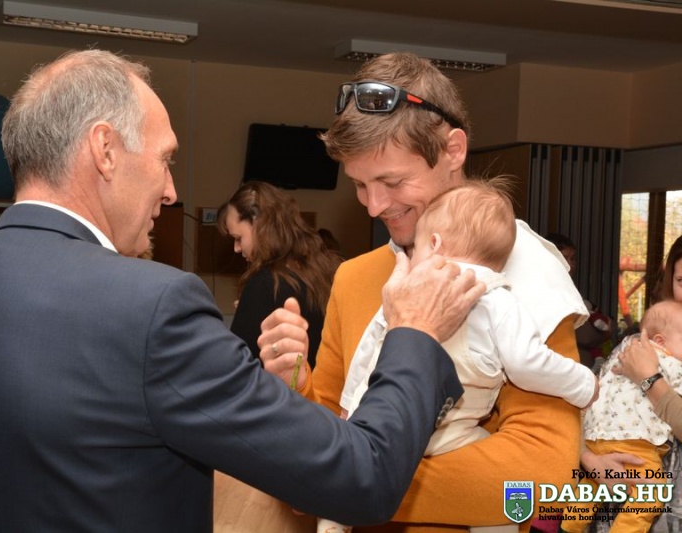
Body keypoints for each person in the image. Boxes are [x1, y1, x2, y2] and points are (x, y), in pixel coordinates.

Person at [0, 49, 488, 532]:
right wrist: (414, 333)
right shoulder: (152, 307)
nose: (172, 192)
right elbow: (361, 477)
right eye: (165, 159)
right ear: (105, 151)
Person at [263, 52, 589, 531]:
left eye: (392, 181)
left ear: (453, 150)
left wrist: (342, 483)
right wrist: (294, 384)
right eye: (360, 185)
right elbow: (332, 420)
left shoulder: (526, 274)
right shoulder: (355, 277)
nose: (374, 206)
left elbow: (540, 471)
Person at [317, 179, 598, 533]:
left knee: (347, 474)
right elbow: (527, 362)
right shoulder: (501, 299)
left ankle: (333, 517)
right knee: (503, 503)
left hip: (396, 423)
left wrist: (350, 407)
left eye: (416, 249)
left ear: (434, 244)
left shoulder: (405, 290)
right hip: (455, 427)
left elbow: (370, 349)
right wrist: (583, 384)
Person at [561, 300, 682, 533]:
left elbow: (590, 394)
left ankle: (568, 526)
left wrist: (588, 454)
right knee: (651, 492)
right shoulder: (672, 363)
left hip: (598, 438)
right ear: (660, 341)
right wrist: (588, 459)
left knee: (592, 487)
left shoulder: (627, 350)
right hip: (636, 444)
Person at [217, 181, 342, 368]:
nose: (236, 248)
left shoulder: (265, 283)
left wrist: (251, 306)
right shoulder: (326, 269)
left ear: (258, 225)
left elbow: (238, 364)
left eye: (238, 238)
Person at [545, 233, 613, 369]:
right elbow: (586, 336)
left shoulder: (568, 289)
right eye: (564, 258)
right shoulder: (549, 291)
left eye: (573, 259)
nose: (570, 264)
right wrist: (607, 332)